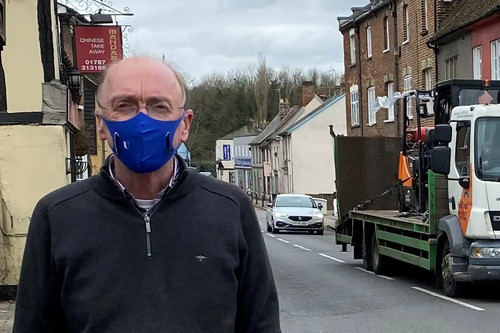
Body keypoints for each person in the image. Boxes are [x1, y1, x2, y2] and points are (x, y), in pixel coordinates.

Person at [13, 56, 281, 333]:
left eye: (159, 107)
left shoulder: (231, 208)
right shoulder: (56, 214)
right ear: (101, 124)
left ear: (184, 124)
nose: (142, 120)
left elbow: (261, 323)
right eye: (124, 106)